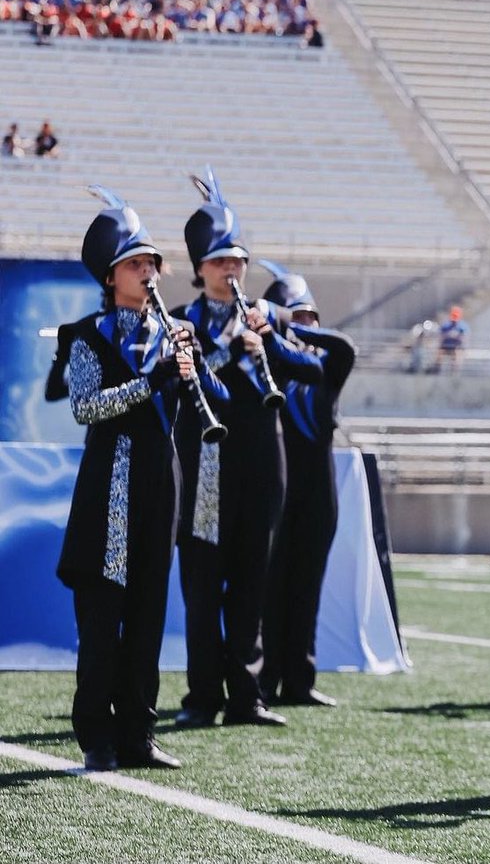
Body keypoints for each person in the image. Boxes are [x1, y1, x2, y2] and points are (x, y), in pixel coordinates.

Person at [56, 188, 226, 771]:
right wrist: (149, 382)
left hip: (162, 483)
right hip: (110, 488)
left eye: (151, 262)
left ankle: (138, 732)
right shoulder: (86, 336)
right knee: (104, 616)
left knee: (150, 610)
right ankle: (97, 736)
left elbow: (214, 398)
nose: (148, 271)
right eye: (135, 263)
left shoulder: (173, 333)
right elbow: (84, 407)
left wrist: (195, 366)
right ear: (111, 276)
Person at [172, 169, 322, 729]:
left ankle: (247, 694)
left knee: (252, 579)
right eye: (219, 261)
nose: (230, 269)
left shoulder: (267, 314)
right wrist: (227, 350)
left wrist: (271, 342)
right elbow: (183, 384)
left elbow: (317, 366)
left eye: (237, 260)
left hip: (262, 461)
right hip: (206, 465)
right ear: (199, 270)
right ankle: (201, 696)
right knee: (204, 582)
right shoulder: (180, 321)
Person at [260, 263, 357, 707]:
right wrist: (271, 333)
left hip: (319, 491)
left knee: (307, 584)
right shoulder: (267, 360)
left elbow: (341, 347)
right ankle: (264, 679)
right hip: (277, 486)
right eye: (297, 315)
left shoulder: (326, 363)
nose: (308, 325)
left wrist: (287, 326)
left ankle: (301, 678)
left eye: (311, 316)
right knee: (271, 585)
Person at [432, 305, 469, 373]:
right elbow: (440, 336)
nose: (454, 321)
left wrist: (457, 336)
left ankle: (454, 372)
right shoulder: (446, 325)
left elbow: (465, 338)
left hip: (456, 347)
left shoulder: (462, 326)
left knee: (457, 355)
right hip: (446, 346)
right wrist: (448, 335)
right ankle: (436, 370)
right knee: (439, 353)